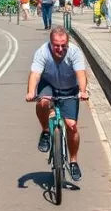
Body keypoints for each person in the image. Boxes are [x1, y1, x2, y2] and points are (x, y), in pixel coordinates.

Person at [25, 26, 89, 181]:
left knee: (71, 125)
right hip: (49, 85)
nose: (60, 49)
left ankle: (73, 161)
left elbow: (80, 73)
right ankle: (46, 131)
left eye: (63, 45)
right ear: (50, 42)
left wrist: (83, 91)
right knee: (42, 103)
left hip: (69, 88)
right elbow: (35, 74)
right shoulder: (42, 52)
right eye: (56, 45)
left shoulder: (74, 52)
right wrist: (31, 92)